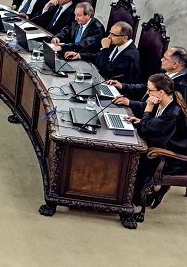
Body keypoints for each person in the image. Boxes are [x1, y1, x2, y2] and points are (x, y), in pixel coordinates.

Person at [125, 74, 187, 209]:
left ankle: (140, 196)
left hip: (172, 158)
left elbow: (145, 131)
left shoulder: (172, 113)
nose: (147, 93)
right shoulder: (167, 102)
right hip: (164, 146)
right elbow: (156, 125)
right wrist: (142, 120)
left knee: (133, 155)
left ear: (161, 92)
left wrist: (148, 109)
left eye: (149, 90)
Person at [110, 47, 187, 116]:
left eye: (165, 59)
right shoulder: (167, 72)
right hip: (141, 110)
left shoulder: (181, 86)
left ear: (175, 64)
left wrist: (129, 102)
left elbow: (159, 108)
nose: (161, 60)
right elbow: (144, 87)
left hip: (149, 119)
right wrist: (123, 86)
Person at [65, 21, 141, 83]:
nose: (109, 37)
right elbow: (99, 57)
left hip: (117, 88)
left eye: (113, 35)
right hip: (102, 78)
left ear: (124, 38)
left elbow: (107, 71)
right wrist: (79, 55)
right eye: (110, 33)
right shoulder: (118, 44)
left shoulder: (129, 56)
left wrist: (105, 49)